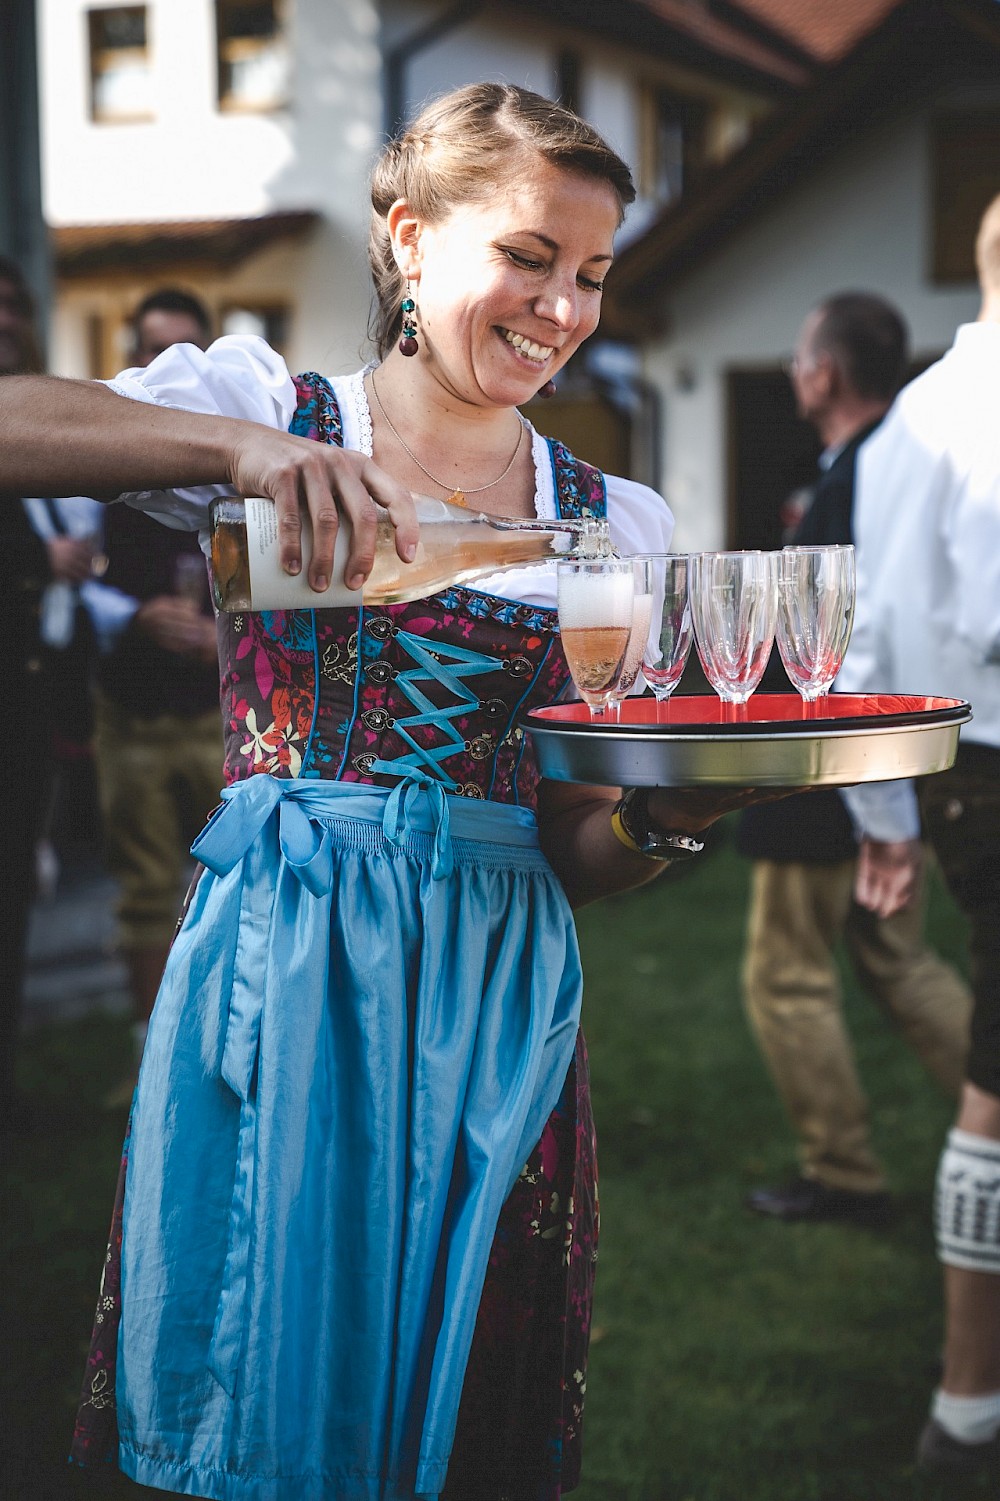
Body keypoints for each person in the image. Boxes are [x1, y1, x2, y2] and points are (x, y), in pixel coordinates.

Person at [0, 85, 780, 1500]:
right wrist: (241, 455)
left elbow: (570, 843)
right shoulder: (270, 409)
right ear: (411, 243)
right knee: (265, 1367)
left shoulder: (619, 525)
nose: (562, 308)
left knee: (474, 1375)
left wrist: (675, 813)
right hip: (289, 964)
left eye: (593, 274)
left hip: (498, 987)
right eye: (530, 257)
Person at [737, 294, 972, 1226]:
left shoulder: (858, 479)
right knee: (896, 959)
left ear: (826, 373)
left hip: (828, 753)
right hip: (890, 759)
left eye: (801, 356)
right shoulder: (897, 465)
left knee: (785, 971)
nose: (798, 372)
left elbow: (843, 641)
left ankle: (843, 1170)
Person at [838, 192, 1000, 1479]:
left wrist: (888, 817)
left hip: (956, 776)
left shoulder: (908, 421)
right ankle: (965, 1405)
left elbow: (872, 641)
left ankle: (964, 1398)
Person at [92, 288, 223, 1107]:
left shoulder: (230, 459)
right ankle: (151, 1066)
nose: (163, 365)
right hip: (131, 712)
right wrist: (130, 611)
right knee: (144, 890)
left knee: (235, 885)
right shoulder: (99, 452)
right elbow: (61, 562)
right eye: (150, 349)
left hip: (215, 710)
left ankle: (221, 1055)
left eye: (182, 351)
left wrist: (224, 636)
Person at [0, 255, 99, 1130]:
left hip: (37, 705)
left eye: (13, 304)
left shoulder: (49, 424)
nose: (4, 320)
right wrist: (43, 563)